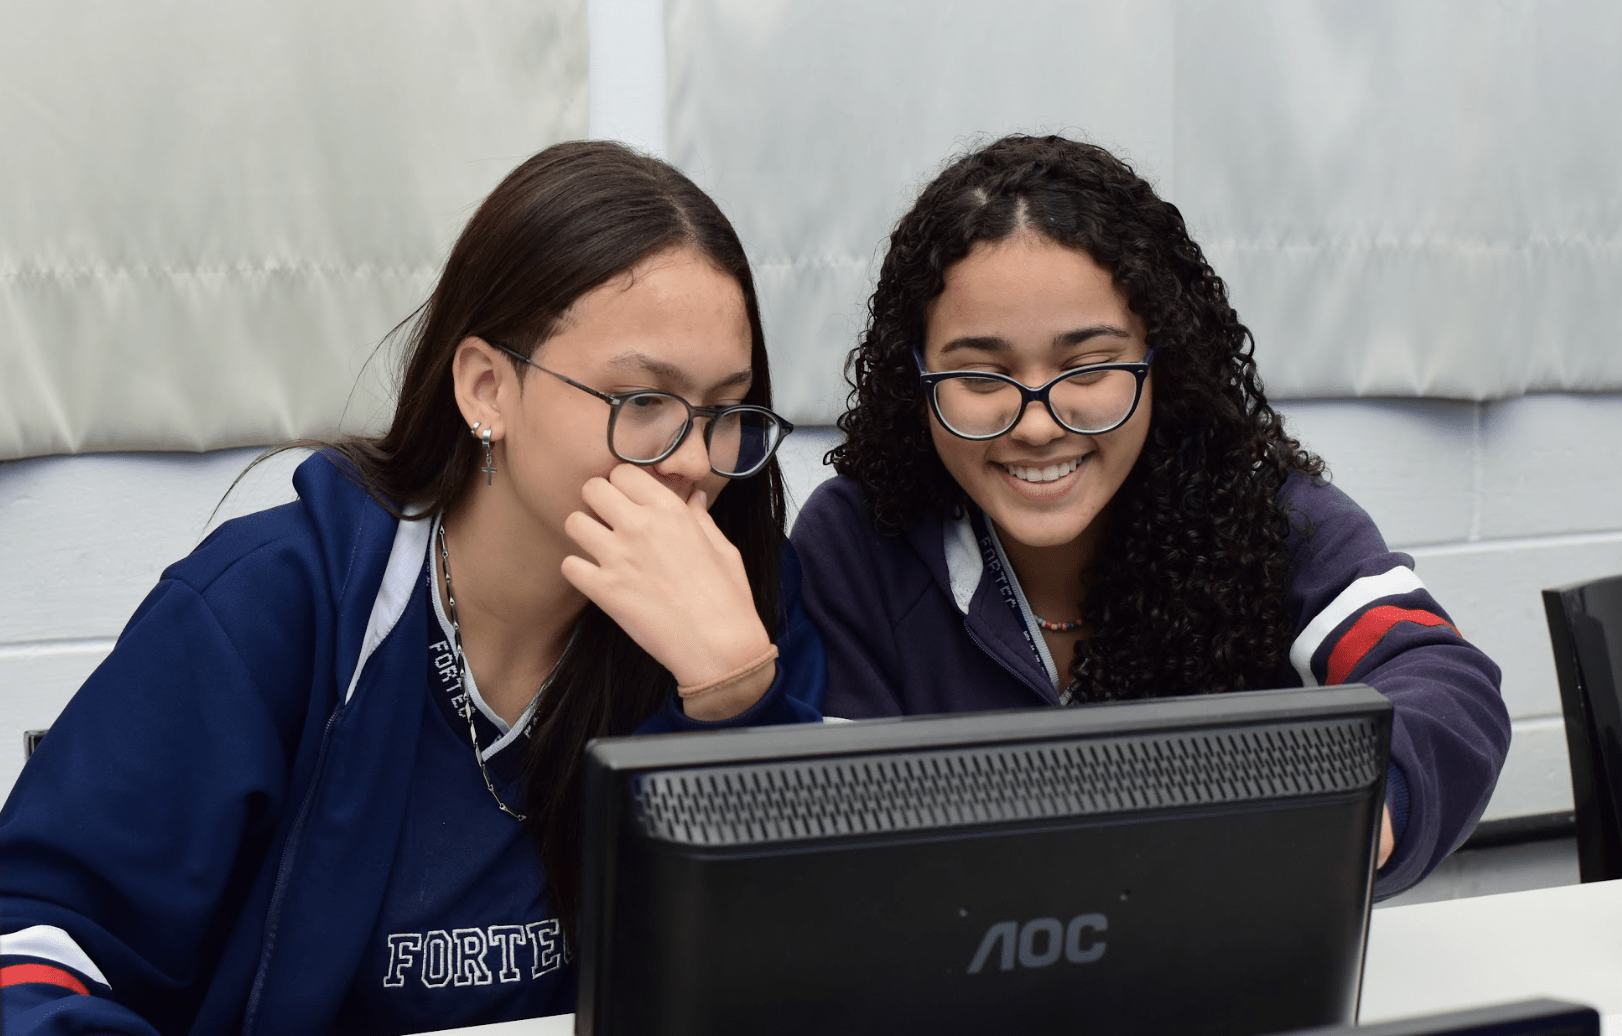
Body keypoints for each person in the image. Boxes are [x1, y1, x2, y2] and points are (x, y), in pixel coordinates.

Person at [0, 141, 824, 1034]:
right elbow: (34, 945)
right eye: (643, 404)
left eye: (727, 413)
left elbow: (815, 972)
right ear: (486, 389)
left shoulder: (741, 609)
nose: (698, 464)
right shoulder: (275, 606)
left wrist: (737, 702)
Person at [790, 134, 1509, 898]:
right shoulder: (858, 542)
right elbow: (842, 846)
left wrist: (1369, 806)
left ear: (1158, 360)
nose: (1037, 424)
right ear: (918, 377)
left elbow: (1443, 679)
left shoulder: (1259, 510)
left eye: (1089, 366)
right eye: (979, 373)